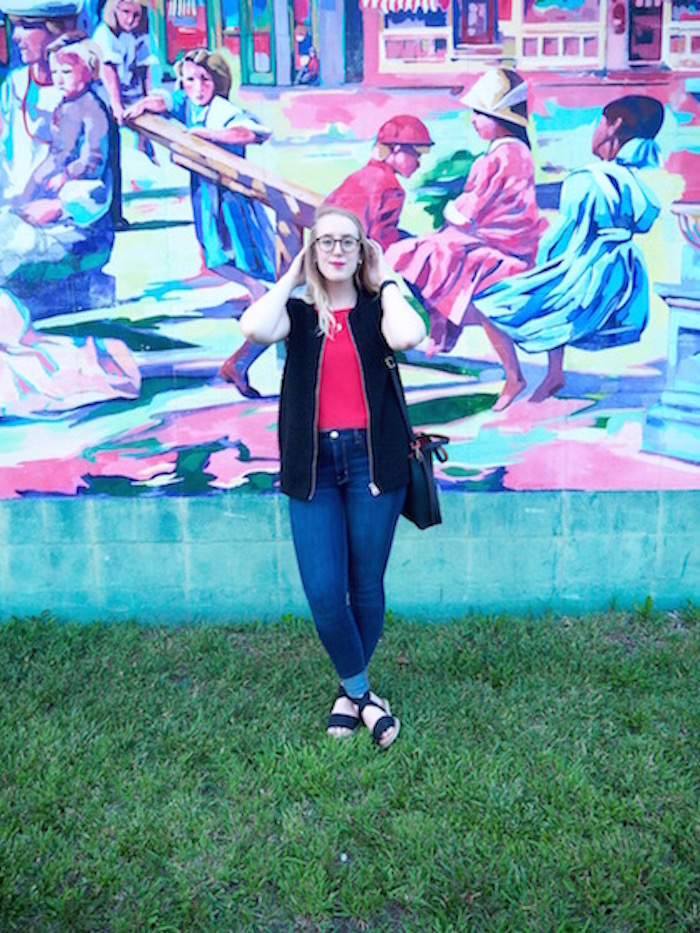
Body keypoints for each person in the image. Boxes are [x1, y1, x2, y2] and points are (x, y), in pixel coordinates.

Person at [238, 205, 426, 749]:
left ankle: (349, 698)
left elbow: (409, 336)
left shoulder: (375, 313)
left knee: (365, 584)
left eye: (349, 241)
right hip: (313, 465)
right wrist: (295, 273)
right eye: (326, 242)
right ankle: (365, 695)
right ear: (313, 251)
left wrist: (385, 274)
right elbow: (253, 327)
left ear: (362, 249)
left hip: (374, 464)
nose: (337, 250)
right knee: (324, 592)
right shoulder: (297, 316)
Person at [221, 114, 434, 399]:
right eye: (415, 153)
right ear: (394, 150)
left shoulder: (360, 176)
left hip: (324, 254)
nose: (419, 162)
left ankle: (239, 363)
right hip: (344, 263)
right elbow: (379, 240)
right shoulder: (390, 188)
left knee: (298, 312)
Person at [474, 95, 664, 403]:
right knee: (555, 303)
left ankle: (518, 377)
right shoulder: (636, 182)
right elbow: (644, 220)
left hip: (587, 269)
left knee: (490, 305)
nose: (596, 128)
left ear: (613, 126)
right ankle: (554, 374)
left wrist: (542, 264)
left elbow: (561, 235)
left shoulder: (586, 179)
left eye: (600, 121)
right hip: (625, 270)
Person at [386, 68, 546, 409]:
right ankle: (446, 321)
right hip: (512, 241)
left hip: (500, 246)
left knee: (410, 253)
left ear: (496, 118)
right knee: (429, 251)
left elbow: (469, 208)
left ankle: (446, 322)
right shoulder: (518, 153)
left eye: (478, 113)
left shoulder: (497, 157)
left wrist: (451, 213)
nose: (473, 120)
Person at [126, 48, 275, 286]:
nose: (198, 87)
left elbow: (253, 132)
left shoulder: (222, 108)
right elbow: (164, 101)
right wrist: (144, 103)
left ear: (217, 80)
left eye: (205, 79)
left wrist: (210, 134)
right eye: (190, 80)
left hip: (231, 190)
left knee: (242, 246)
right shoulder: (187, 102)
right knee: (213, 251)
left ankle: (260, 290)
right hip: (204, 190)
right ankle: (255, 289)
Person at [0, 2, 114, 288]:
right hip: (15, 217)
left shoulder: (88, 100)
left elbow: (97, 180)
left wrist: (59, 206)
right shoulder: (14, 85)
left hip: (69, 227)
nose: (15, 37)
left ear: (57, 30)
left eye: (26, 25)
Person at [19, 33, 110, 206]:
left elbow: (93, 157)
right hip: (60, 172)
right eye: (54, 72)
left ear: (89, 70)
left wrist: (66, 175)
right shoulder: (65, 105)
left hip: (84, 181)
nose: (58, 80)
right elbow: (58, 151)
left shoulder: (92, 108)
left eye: (66, 72)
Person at [92, 0, 157, 227]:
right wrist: (117, 105)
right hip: (102, 101)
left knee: (115, 160)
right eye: (126, 12)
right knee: (106, 159)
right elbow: (108, 73)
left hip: (128, 98)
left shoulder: (141, 36)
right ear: (114, 11)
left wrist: (147, 102)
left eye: (136, 15)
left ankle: (115, 215)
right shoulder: (104, 34)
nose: (130, 19)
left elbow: (144, 71)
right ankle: (107, 216)